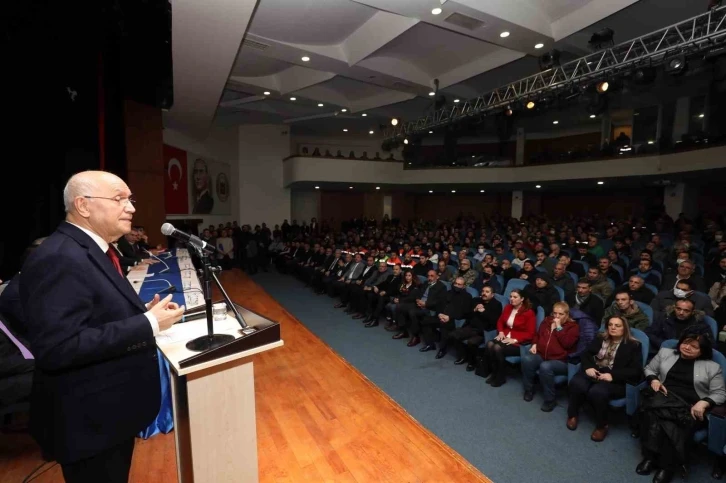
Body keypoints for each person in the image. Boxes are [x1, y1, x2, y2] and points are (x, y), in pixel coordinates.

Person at [18, 171, 185, 482]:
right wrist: (147, 324)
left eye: (130, 199)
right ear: (83, 205)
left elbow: (92, 313)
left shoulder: (93, 250)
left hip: (107, 415)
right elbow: (58, 347)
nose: (132, 207)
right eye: (119, 199)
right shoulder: (59, 256)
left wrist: (140, 313)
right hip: (88, 421)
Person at [636, 329, 726, 483]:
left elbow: (720, 393)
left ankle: (665, 465)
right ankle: (651, 458)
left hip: (690, 405)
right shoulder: (665, 353)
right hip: (663, 397)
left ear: (702, 351)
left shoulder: (712, 367)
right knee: (654, 415)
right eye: (685, 343)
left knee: (669, 421)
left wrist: (704, 402)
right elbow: (649, 369)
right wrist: (654, 379)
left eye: (694, 347)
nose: (687, 348)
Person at [566, 315, 643, 442]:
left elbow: (635, 371)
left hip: (615, 378)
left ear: (625, 328)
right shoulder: (600, 338)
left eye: (617, 325)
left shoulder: (633, 345)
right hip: (595, 371)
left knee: (597, 392)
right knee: (576, 383)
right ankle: (572, 415)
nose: (613, 328)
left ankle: (602, 425)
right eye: (610, 325)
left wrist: (612, 375)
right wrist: (588, 367)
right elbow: (586, 354)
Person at [521, 302, 580, 412]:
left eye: (560, 314)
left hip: (561, 361)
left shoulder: (573, 327)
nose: (556, 317)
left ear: (567, 315)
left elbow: (567, 343)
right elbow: (537, 335)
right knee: (527, 359)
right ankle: (529, 389)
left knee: (545, 366)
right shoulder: (547, 321)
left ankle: (550, 400)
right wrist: (534, 344)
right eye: (555, 313)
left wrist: (558, 328)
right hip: (542, 355)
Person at [479, 289, 536, 387]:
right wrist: (501, 332)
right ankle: (494, 373)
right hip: (505, 336)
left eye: (515, 297)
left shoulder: (529, 313)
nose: (511, 299)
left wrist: (515, 339)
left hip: (519, 343)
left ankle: (500, 377)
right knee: (489, 344)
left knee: (497, 348)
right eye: (511, 296)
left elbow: (530, 333)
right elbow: (500, 321)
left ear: (522, 299)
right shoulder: (508, 307)